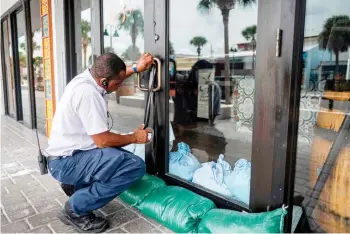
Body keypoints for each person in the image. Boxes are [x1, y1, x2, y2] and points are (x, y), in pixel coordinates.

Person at [44, 52, 154, 233]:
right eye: (117, 84)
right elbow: (103, 141)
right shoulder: (88, 94)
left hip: (68, 155)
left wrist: (136, 68)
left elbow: (116, 76)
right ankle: (74, 209)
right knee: (133, 166)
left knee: (119, 158)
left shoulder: (88, 78)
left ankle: (76, 185)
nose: (119, 87)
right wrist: (135, 137)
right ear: (104, 81)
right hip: (66, 162)